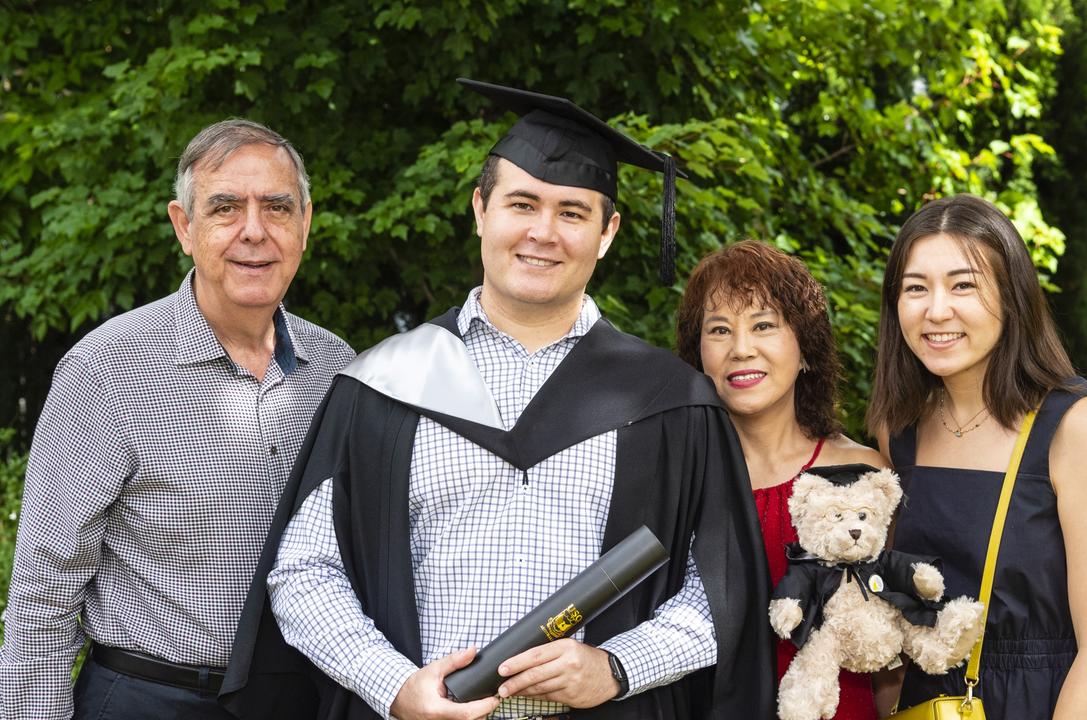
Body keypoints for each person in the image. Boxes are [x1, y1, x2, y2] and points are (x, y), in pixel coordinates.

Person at [218, 79, 773, 720]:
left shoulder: (671, 402)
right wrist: (395, 686)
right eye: (522, 204)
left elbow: (722, 585)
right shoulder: (384, 383)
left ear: (608, 231)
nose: (543, 232)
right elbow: (306, 572)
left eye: (572, 212)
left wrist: (619, 667)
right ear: (480, 209)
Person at [0, 119, 355, 720]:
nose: (254, 232)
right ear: (185, 227)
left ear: (305, 224)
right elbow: (41, 599)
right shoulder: (106, 370)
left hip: (300, 701)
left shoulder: (338, 369)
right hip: (150, 700)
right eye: (225, 208)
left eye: (277, 208)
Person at [867, 194, 1087, 719]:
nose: (936, 310)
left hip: (1052, 701)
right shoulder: (896, 428)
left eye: (963, 284)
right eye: (915, 288)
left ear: (1012, 295)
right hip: (930, 704)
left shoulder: (1080, 427)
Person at [675, 239, 885, 720]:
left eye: (764, 325)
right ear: (698, 357)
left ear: (806, 348)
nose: (741, 349)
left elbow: (892, 646)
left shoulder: (862, 473)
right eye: (720, 330)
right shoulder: (681, 482)